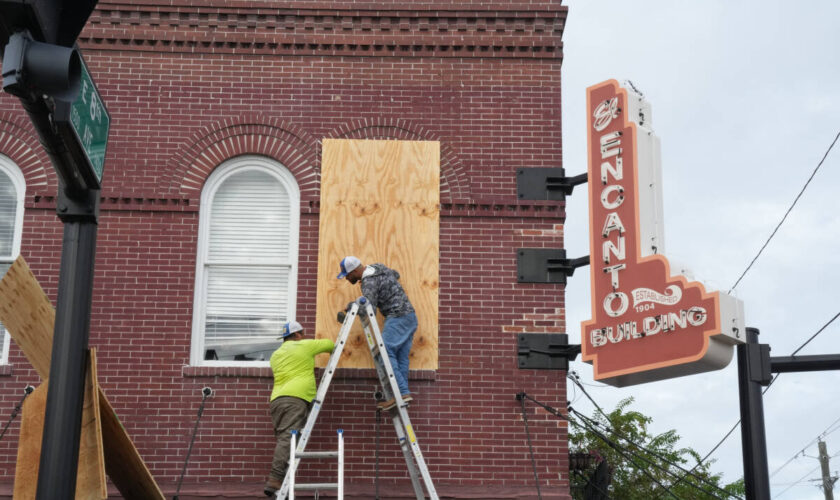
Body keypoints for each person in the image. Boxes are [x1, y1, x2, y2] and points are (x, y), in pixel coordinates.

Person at [264, 320, 335, 497]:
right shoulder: (304, 345)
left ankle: (282, 486)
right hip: (296, 399)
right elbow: (330, 345)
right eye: (302, 333)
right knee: (287, 439)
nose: (304, 336)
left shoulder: (275, 355)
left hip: (277, 400)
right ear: (297, 335)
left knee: (285, 439)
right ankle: (275, 479)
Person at [337, 255, 417, 410]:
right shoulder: (379, 267)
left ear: (354, 271)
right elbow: (395, 274)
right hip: (410, 318)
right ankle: (403, 393)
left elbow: (369, 309)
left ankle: (400, 393)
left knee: (384, 352)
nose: (347, 279)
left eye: (347, 275)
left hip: (398, 317)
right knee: (400, 358)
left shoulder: (369, 282)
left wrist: (350, 307)